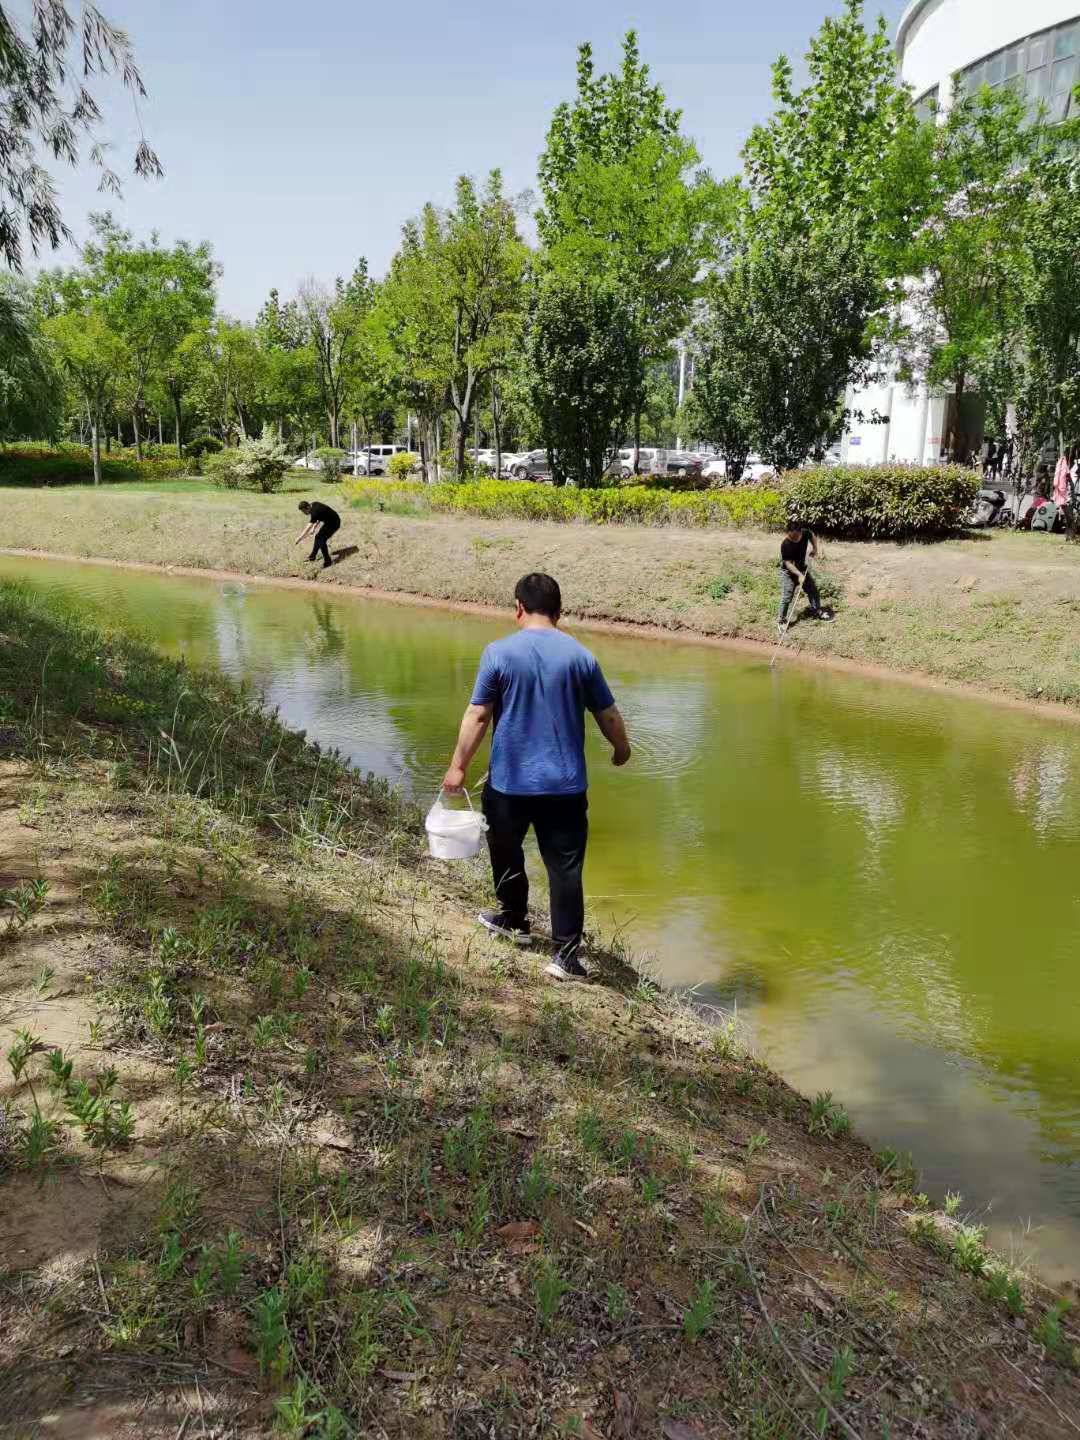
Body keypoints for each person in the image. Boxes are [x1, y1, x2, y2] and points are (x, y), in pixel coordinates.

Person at [441, 573, 631, 982]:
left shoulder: (498, 653)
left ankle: (514, 920)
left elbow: (478, 715)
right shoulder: (581, 657)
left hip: (508, 784)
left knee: (505, 849)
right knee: (565, 869)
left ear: (518, 608)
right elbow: (608, 714)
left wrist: (458, 766)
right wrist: (621, 749)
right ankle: (565, 956)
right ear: (560, 612)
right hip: (565, 788)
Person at [779, 520, 833, 634]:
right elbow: (788, 564)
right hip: (788, 572)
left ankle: (816, 610)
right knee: (787, 596)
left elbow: (812, 536)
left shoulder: (805, 533)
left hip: (802, 568)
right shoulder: (786, 545)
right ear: (788, 533)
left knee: (812, 590)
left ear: (800, 532)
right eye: (792, 536)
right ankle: (782, 620)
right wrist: (799, 575)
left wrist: (815, 548)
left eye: (796, 536)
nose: (794, 539)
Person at [295, 499, 340, 569]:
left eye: (304, 511)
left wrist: (299, 538)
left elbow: (308, 527)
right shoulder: (314, 504)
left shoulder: (314, 512)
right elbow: (320, 516)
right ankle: (312, 557)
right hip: (330, 522)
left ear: (308, 507)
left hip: (334, 523)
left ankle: (328, 561)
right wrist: (314, 527)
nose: (304, 513)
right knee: (318, 537)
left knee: (321, 540)